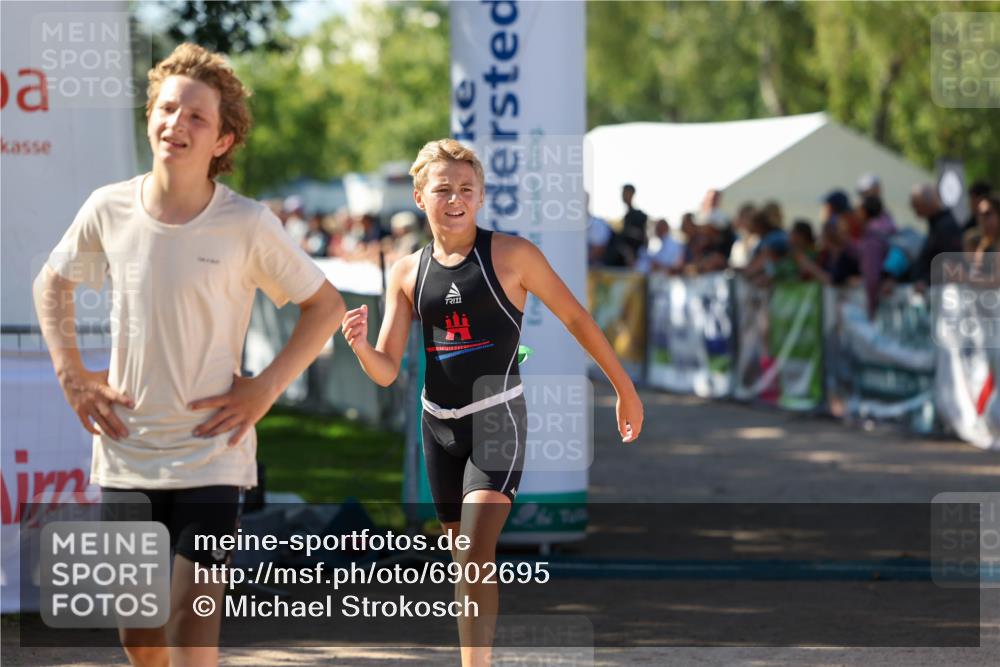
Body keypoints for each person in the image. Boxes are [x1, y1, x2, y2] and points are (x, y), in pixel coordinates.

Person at [32, 43, 346, 667]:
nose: (177, 123)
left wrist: (263, 389)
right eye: (168, 108)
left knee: (191, 622)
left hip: (213, 450)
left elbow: (327, 307)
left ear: (224, 140)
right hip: (126, 449)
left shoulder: (248, 223)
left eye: (196, 116)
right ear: (150, 116)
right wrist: (71, 374)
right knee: (138, 633)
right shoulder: (108, 208)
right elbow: (51, 284)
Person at [340, 139, 643, 667]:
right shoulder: (407, 273)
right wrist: (363, 348)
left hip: (496, 416)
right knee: (462, 561)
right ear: (418, 197)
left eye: (466, 189)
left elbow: (577, 318)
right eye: (442, 189)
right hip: (437, 425)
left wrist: (624, 388)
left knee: (477, 556)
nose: (454, 199)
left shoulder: (512, 255)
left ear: (480, 197)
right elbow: (387, 371)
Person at [909, 183, 964, 288]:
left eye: (916, 205)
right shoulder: (936, 225)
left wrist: (925, 280)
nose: (914, 210)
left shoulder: (946, 226)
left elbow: (950, 262)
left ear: (926, 204)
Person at [603, 183, 648, 267]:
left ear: (631, 194)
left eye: (625, 193)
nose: (623, 196)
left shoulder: (639, 215)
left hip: (630, 260)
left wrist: (629, 253)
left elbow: (641, 236)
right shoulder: (626, 216)